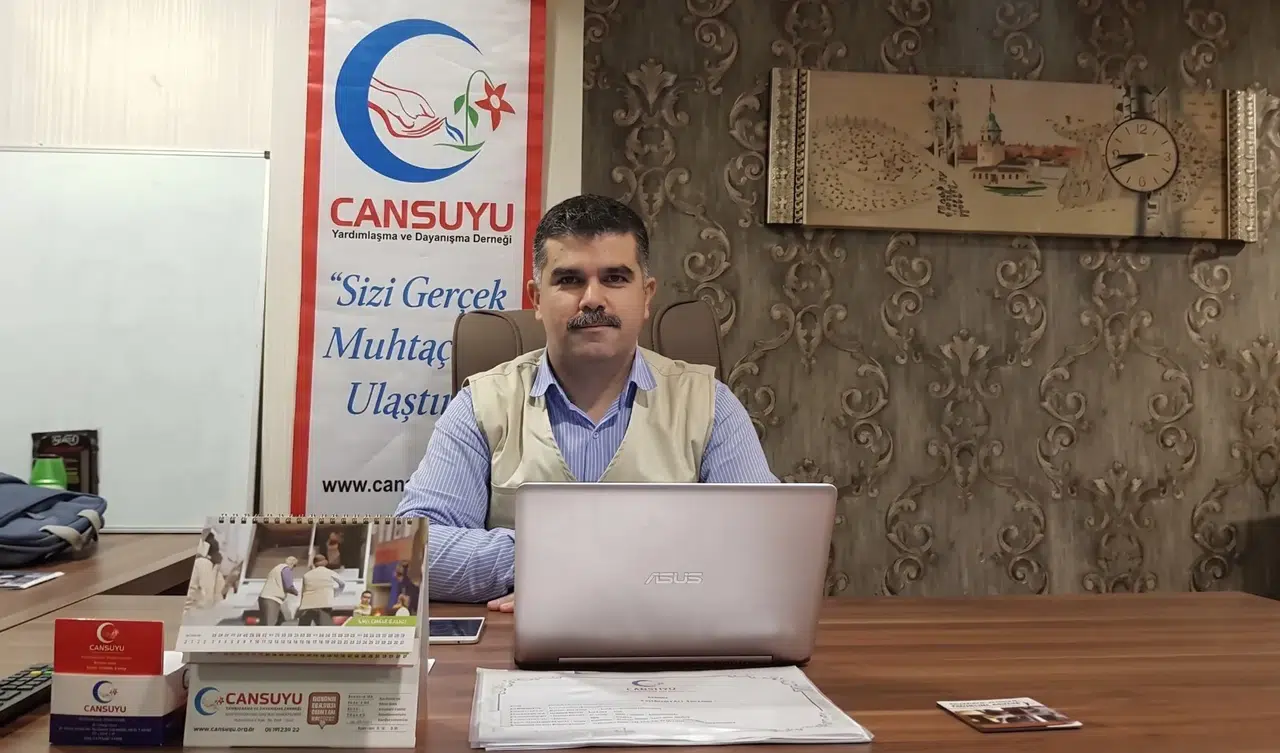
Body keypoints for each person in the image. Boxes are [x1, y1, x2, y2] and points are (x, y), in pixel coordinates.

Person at [395, 194, 777, 611]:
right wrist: (548, 561)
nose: (593, 299)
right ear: (536, 298)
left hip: (666, 639)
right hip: (520, 645)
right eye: (570, 279)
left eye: (615, 278)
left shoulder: (709, 405)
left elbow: (763, 545)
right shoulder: (482, 404)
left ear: (647, 296)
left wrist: (580, 567)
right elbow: (412, 551)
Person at [297, 554, 345, 626]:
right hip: (324, 604)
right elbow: (342, 584)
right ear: (325, 562)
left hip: (307, 605)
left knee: (303, 628)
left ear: (314, 564)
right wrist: (335, 593)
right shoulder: (330, 573)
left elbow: (303, 592)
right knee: (324, 627)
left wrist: (300, 606)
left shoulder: (306, 575)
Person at [257, 556, 299, 625]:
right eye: (294, 566)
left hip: (264, 598)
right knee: (270, 624)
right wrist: (297, 593)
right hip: (272, 599)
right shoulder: (286, 569)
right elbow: (289, 586)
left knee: (279, 620)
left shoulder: (277, 568)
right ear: (293, 564)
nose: (293, 569)